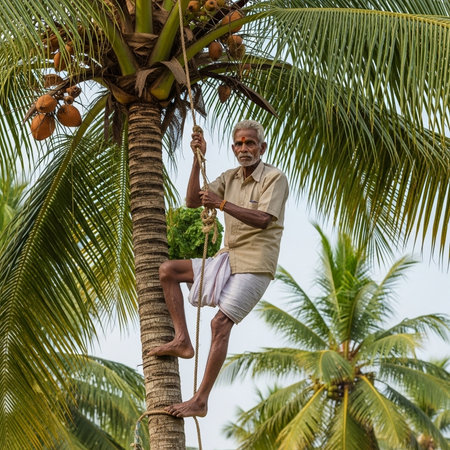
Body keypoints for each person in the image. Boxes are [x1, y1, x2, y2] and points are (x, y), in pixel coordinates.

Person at [148, 120, 289, 418]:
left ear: (262, 148)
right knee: (168, 271)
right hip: (228, 257)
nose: (244, 149)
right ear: (233, 148)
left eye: (250, 143)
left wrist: (221, 204)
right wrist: (198, 160)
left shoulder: (274, 178)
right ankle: (183, 340)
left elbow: (264, 219)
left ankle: (201, 400)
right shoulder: (230, 177)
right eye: (239, 143)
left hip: (255, 264)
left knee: (219, 324)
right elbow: (191, 201)